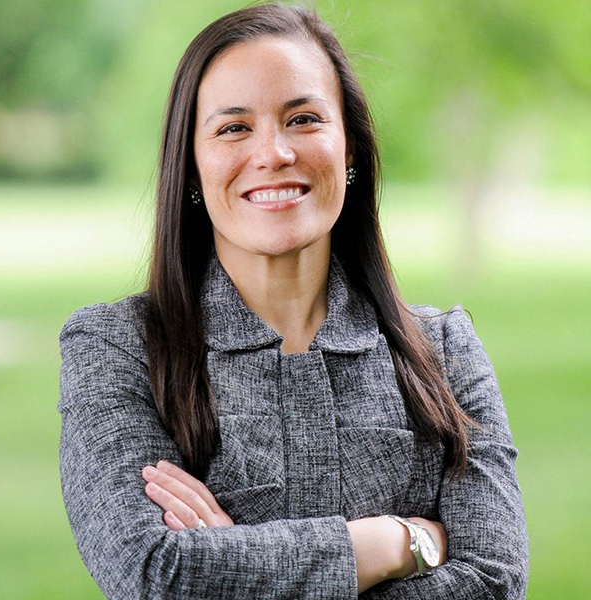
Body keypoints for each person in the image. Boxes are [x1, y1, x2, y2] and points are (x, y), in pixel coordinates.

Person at [58, 3, 528, 598]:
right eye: (233, 127)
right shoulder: (117, 348)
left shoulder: (444, 351)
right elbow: (154, 571)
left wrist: (234, 569)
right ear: (192, 163)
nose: (274, 153)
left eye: (303, 119)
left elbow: (495, 582)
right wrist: (393, 543)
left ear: (350, 145)